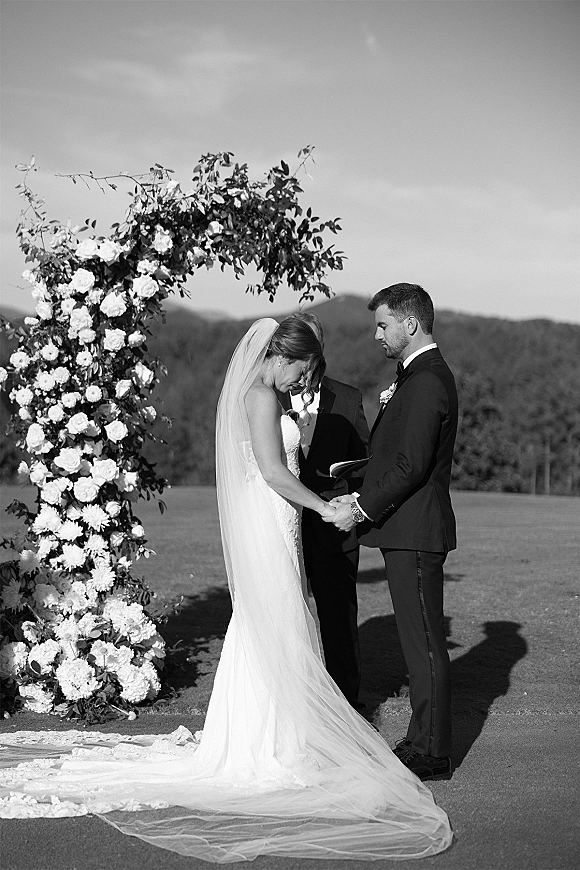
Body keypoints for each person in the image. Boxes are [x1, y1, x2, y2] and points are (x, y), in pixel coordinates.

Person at [0, 315, 452, 862]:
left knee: (278, 624)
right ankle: (270, 745)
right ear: (284, 356)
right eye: (303, 370)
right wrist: (326, 508)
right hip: (273, 516)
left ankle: (281, 736)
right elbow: (273, 473)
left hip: (279, 521)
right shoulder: (261, 397)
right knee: (277, 621)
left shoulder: (265, 394)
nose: (302, 382)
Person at [325, 284, 458, 782]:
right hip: (407, 529)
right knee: (415, 640)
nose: (377, 334)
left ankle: (434, 753)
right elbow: (396, 456)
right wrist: (354, 476)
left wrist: (360, 508)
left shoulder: (425, 382)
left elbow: (410, 465)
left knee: (423, 643)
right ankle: (422, 740)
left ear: (411, 323)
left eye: (383, 324)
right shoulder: (415, 377)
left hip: (417, 530)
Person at [279, 312, 369, 709]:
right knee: (287, 616)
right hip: (285, 522)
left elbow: (365, 459)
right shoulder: (271, 392)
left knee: (339, 621)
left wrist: (354, 501)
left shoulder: (348, 398)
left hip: (335, 525)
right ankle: (297, 706)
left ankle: (348, 710)